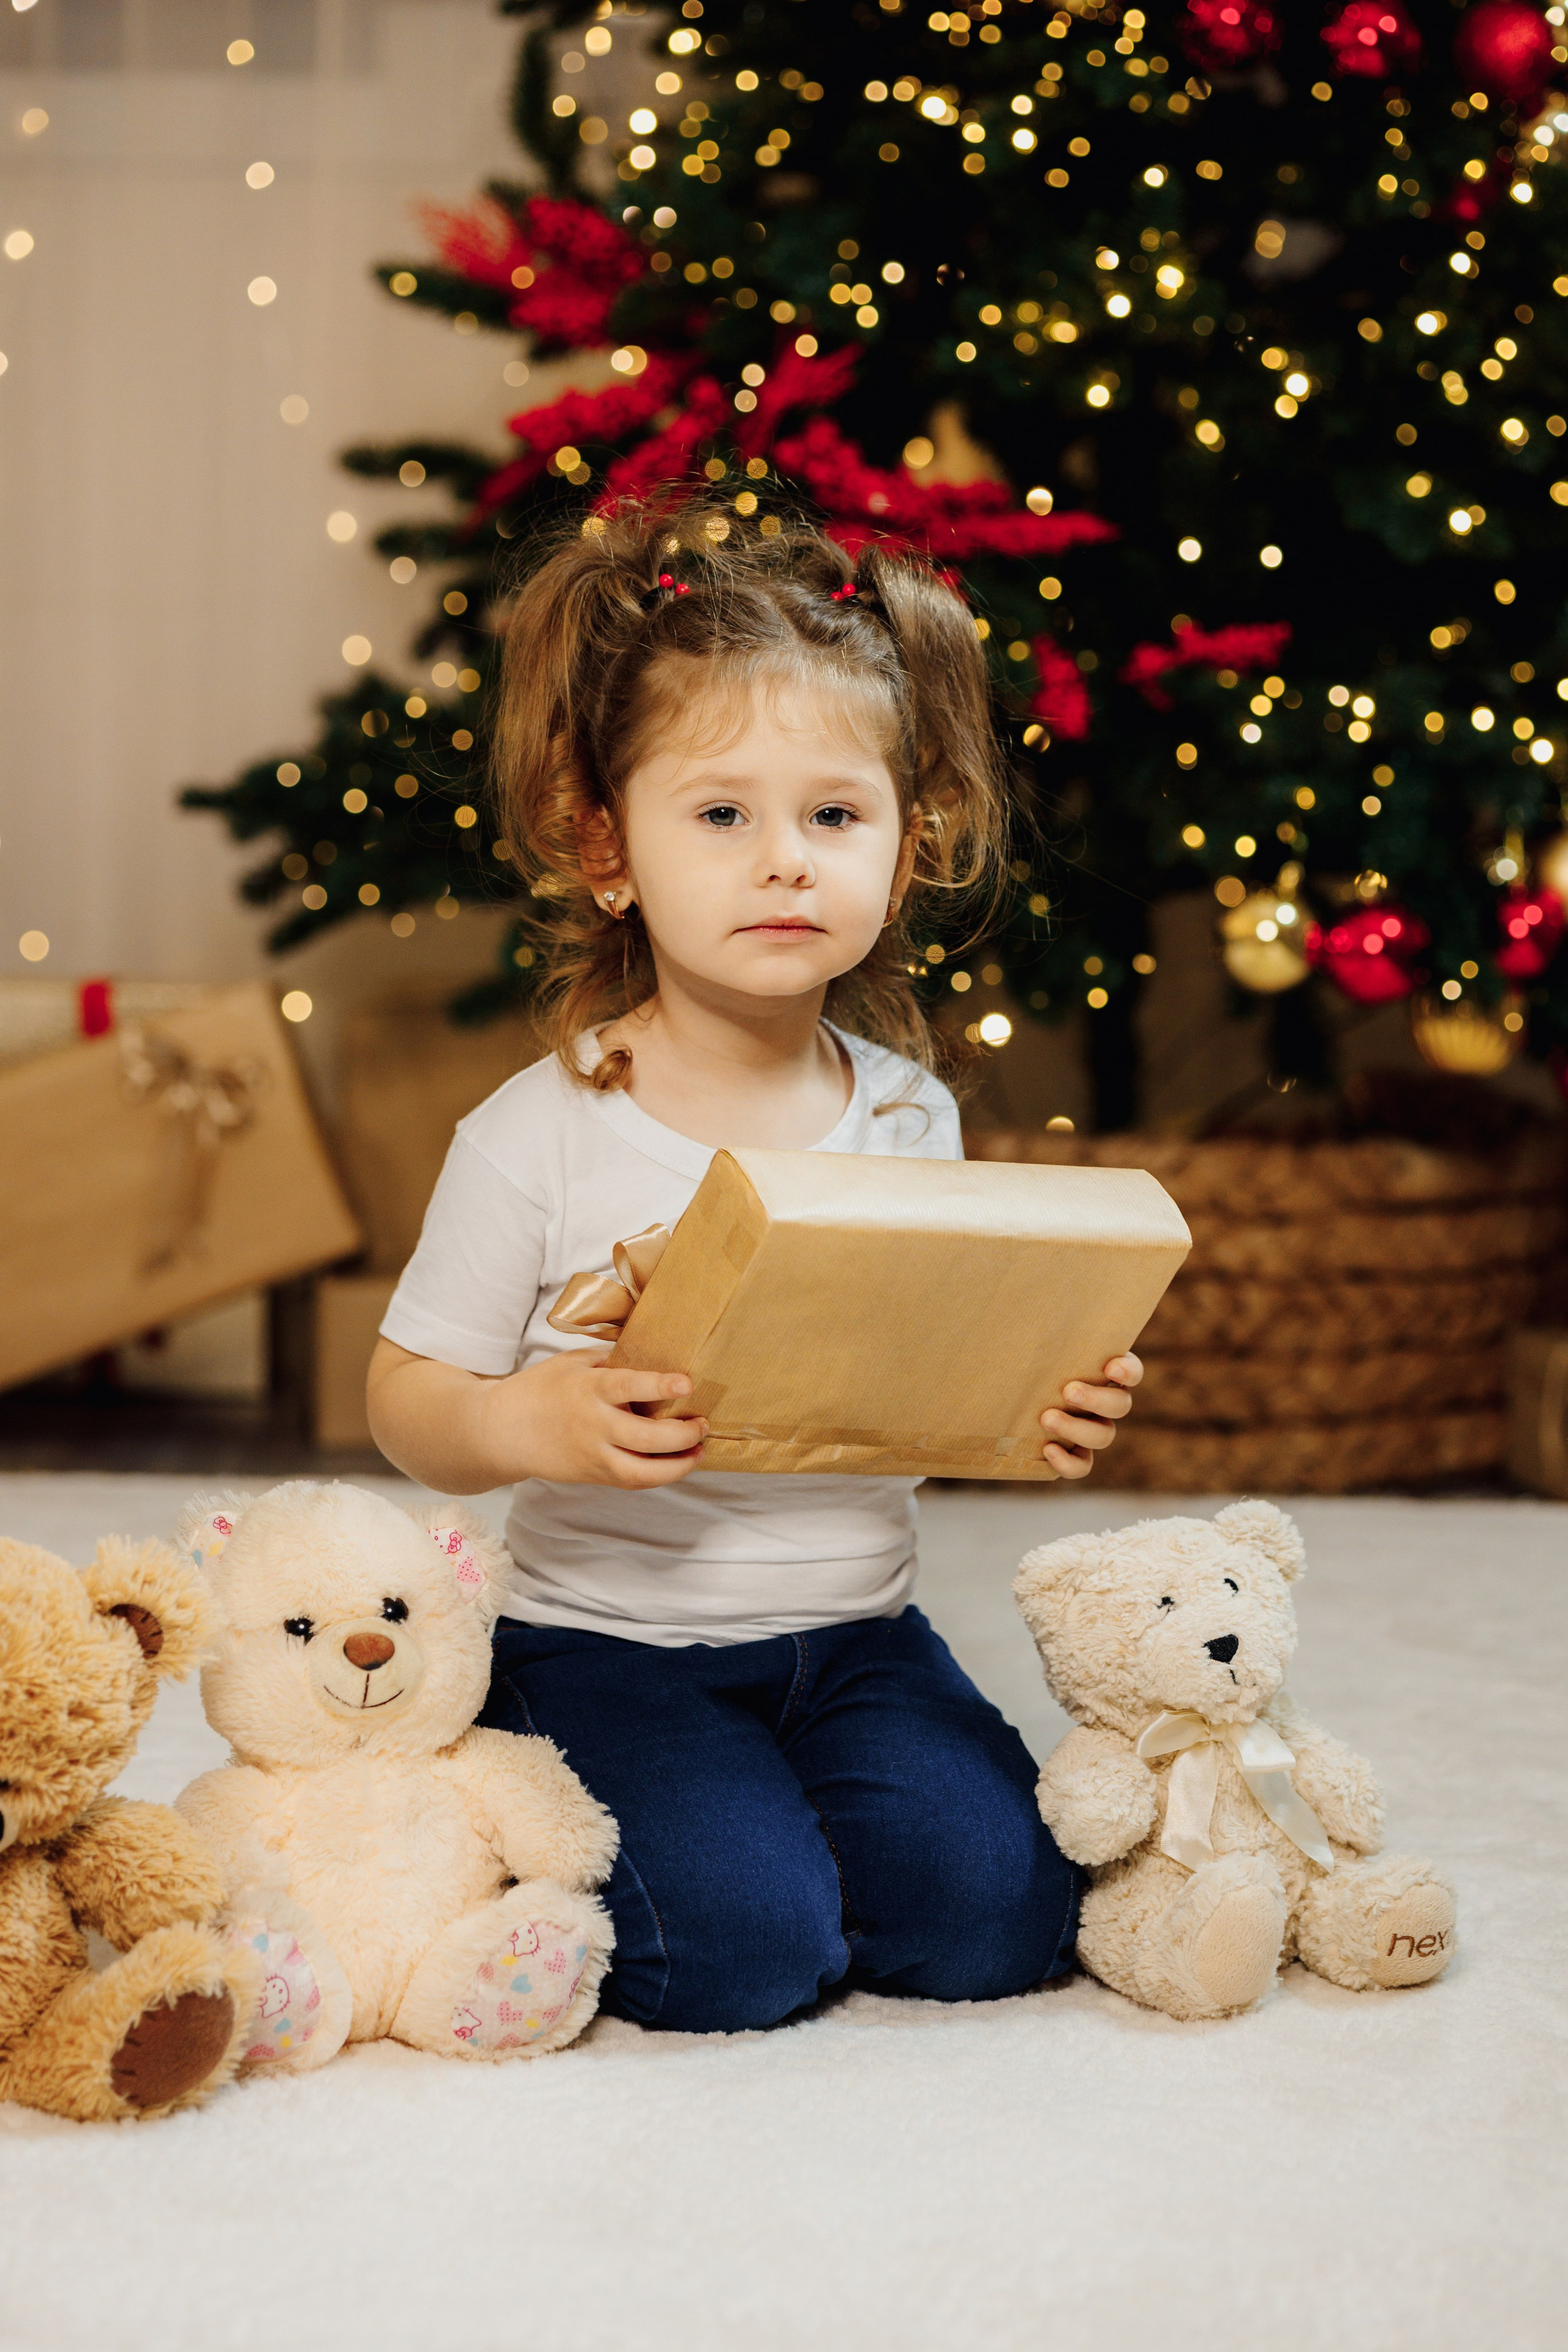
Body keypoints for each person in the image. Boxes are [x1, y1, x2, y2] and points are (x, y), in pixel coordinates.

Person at [367, 503, 1142, 2033]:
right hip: (607, 1650)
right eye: (721, 816)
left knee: (1000, 1922)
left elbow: (919, 1382)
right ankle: (521, 1796)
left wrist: (1032, 1412)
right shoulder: (541, 1131)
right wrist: (541, 1421)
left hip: (857, 1638)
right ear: (609, 845)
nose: (783, 863)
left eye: (833, 819)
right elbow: (407, 1399)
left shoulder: (907, 1113)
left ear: (906, 843)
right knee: (739, 1960)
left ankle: (776, 1810)